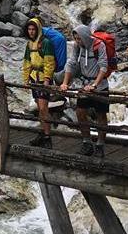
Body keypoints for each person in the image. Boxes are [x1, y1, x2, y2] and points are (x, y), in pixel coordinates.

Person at [60, 24, 109, 157]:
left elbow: (104, 66)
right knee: (80, 112)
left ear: (85, 36)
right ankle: (87, 142)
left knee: (101, 114)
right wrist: (65, 83)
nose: (77, 41)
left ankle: (100, 145)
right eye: (75, 38)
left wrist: (95, 85)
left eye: (79, 38)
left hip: (100, 85)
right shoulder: (77, 47)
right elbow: (71, 62)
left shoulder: (99, 45)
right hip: (84, 84)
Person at [22, 18, 56, 148]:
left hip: (43, 79)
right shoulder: (29, 44)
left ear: (38, 29)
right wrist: (26, 79)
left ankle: (47, 136)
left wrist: (47, 79)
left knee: (43, 108)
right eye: (29, 29)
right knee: (39, 107)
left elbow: (49, 62)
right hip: (33, 78)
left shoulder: (46, 43)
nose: (31, 32)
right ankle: (43, 133)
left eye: (33, 29)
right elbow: (26, 62)